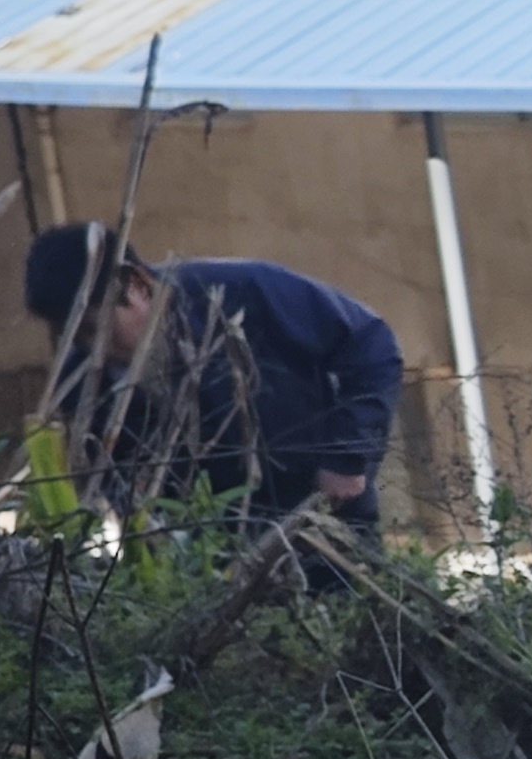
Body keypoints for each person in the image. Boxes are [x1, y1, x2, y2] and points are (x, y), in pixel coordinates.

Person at [22, 223, 401, 529]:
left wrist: (348, 457)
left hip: (324, 522)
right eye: (76, 339)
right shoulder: (82, 385)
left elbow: (371, 345)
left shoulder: (246, 292)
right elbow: (121, 494)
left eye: (97, 329)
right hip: (209, 564)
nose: (95, 351)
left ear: (137, 285)